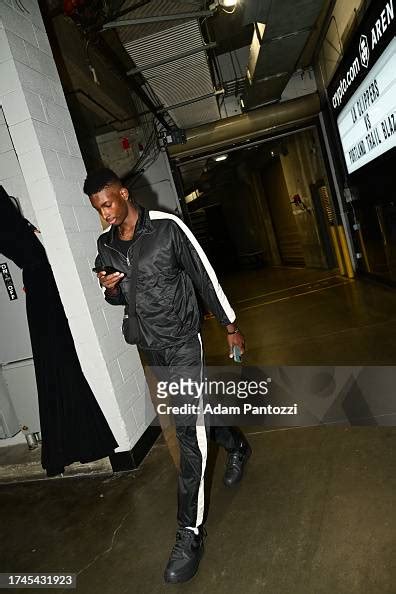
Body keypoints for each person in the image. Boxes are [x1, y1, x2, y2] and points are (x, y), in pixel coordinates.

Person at [84, 168, 251, 583]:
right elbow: (119, 295)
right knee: (194, 417)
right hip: (149, 347)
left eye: (107, 204)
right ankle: (236, 444)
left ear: (123, 194)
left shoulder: (167, 228)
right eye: (97, 209)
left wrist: (230, 325)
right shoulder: (106, 245)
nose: (104, 214)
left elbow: (203, 275)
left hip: (181, 343)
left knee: (187, 435)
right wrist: (108, 287)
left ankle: (188, 533)